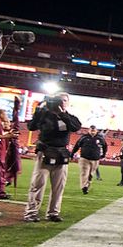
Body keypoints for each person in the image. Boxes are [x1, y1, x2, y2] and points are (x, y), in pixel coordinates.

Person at [24, 92, 81, 222]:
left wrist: (62, 114)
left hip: (61, 153)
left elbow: (75, 127)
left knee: (58, 186)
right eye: (59, 100)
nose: (62, 103)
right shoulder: (45, 115)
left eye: (65, 100)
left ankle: (53, 213)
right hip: (45, 152)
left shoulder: (69, 117)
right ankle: (31, 213)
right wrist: (39, 111)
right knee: (38, 184)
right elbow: (31, 126)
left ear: (68, 102)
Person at [72, 125, 107, 194]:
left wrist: (103, 154)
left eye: (94, 130)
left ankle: (87, 186)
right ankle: (84, 187)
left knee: (91, 175)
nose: (92, 131)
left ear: (96, 131)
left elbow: (105, 146)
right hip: (84, 159)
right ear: (89, 130)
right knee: (84, 173)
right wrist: (72, 153)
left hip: (95, 160)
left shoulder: (100, 138)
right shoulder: (84, 137)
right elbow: (77, 145)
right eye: (91, 130)